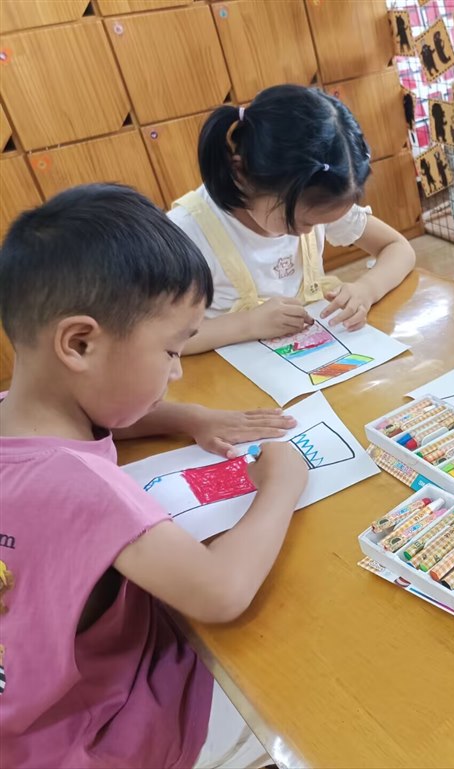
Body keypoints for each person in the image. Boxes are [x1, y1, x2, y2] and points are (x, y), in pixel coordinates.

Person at [0, 185, 311, 767]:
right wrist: (281, 484)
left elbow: (96, 423)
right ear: (80, 343)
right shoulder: (83, 489)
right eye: (171, 352)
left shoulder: (14, 415)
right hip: (89, 737)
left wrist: (189, 418)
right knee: (290, 699)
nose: (176, 374)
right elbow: (219, 592)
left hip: (20, 714)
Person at [169, 85, 415, 354]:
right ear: (242, 175)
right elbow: (161, 337)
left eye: (318, 223)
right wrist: (247, 324)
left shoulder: (315, 197)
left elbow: (398, 248)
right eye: (299, 222)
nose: (307, 233)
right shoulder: (186, 233)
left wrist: (367, 289)